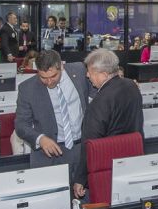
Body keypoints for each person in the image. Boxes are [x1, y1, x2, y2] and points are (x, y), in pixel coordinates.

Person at [74, 49, 144, 199]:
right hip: (133, 159)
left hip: (106, 168)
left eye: (90, 72)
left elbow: (90, 143)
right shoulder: (131, 86)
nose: (87, 75)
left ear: (104, 74)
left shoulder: (99, 102)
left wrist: (80, 179)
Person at [15, 49, 91, 171]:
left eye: (53, 76)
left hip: (81, 149)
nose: (49, 81)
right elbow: (21, 125)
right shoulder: (27, 89)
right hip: (49, 155)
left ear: (61, 66)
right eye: (43, 77)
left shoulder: (79, 70)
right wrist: (40, 139)